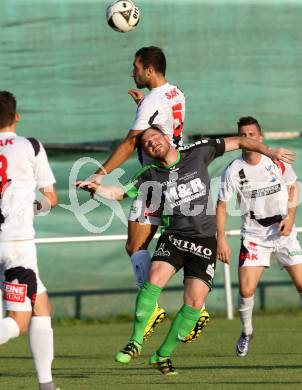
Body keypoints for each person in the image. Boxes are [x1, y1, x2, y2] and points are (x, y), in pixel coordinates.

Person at [77, 125, 295, 374]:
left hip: (204, 241)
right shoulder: (151, 174)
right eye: (146, 143)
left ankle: (162, 355)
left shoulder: (199, 152)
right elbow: (119, 193)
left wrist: (269, 151)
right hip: (174, 236)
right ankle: (134, 342)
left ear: (167, 138)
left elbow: (238, 141)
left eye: (154, 137)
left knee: (194, 302)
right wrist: (98, 189)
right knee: (154, 278)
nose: (151, 143)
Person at [82, 46, 207, 342]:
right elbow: (162, 125)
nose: (132, 73)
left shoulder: (153, 100)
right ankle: (190, 307)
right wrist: (143, 108)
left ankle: (162, 309)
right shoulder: (176, 93)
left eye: (136, 68)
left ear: (149, 70)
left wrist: (100, 173)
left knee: (137, 245)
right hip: (171, 177)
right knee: (166, 240)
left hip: (154, 181)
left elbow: (129, 144)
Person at [217, 116, 302, 357]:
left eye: (251, 134)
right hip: (255, 236)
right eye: (242, 135)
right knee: (246, 290)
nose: (247, 139)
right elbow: (222, 205)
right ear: (238, 139)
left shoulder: (274, 161)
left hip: (284, 233)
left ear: (260, 138)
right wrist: (221, 238)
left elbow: (293, 187)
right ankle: (246, 332)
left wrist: (291, 217)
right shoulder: (233, 170)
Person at [0, 91, 59, 389]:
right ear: (17, 116)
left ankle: (46, 385)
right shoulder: (30, 146)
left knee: (42, 304)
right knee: (17, 323)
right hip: (17, 244)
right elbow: (51, 198)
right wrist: (34, 206)